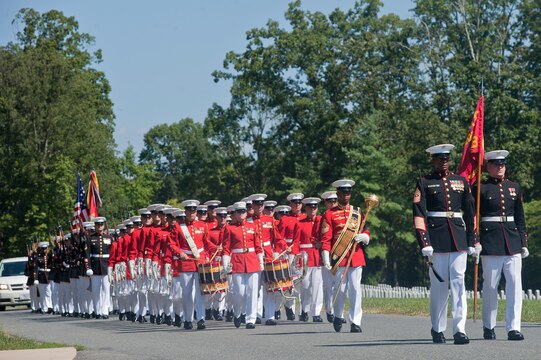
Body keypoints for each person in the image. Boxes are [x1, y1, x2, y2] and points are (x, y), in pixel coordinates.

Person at [412, 144, 476, 344]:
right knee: (439, 285)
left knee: (458, 282)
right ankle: (438, 329)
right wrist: (424, 241)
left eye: (446, 158)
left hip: (458, 238)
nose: (444, 161)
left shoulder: (461, 181)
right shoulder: (424, 182)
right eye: (440, 159)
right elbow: (418, 213)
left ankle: (459, 330)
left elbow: (470, 211)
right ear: (433, 160)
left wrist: (473, 239)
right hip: (436, 238)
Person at [473, 150, 528, 341]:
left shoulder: (514, 187)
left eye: (502, 164)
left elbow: (520, 217)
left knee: (514, 285)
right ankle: (489, 326)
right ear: (488, 167)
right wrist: (475, 240)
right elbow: (473, 217)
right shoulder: (481, 188)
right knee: (490, 286)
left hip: (512, 241)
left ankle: (514, 327)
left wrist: (523, 242)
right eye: (496, 164)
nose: (500, 167)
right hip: (490, 242)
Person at [320, 180, 370, 333]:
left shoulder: (357, 211)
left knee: (355, 289)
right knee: (340, 290)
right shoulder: (329, 214)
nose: (346, 195)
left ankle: (355, 321)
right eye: (343, 192)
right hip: (339, 257)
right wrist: (326, 257)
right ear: (338, 194)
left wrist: (364, 237)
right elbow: (326, 239)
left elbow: (365, 229)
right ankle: (338, 314)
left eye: (349, 192)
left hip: (356, 256)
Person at [221, 201, 264, 329]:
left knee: (252, 292)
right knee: (239, 292)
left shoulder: (252, 226)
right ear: (234, 213)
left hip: (252, 261)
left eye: (243, 211)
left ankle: (250, 319)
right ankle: (237, 313)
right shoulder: (229, 228)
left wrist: (260, 261)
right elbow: (226, 248)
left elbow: (258, 246)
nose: (241, 214)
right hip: (237, 262)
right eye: (239, 212)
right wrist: (225, 264)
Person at [294, 197, 323, 322]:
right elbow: (296, 242)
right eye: (310, 207)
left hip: (317, 257)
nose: (312, 209)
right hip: (305, 258)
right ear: (305, 208)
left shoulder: (322, 221)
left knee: (317, 286)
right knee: (305, 285)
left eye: (314, 207)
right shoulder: (300, 223)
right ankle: (304, 310)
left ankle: (316, 313)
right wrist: (296, 258)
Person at [85, 216, 113, 319]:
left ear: (104, 226)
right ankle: (97, 311)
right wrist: (88, 267)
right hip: (95, 267)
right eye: (98, 225)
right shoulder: (90, 238)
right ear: (95, 226)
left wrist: (112, 266)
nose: (99, 227)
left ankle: (105, 311)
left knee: (106, 290)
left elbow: (112, 253)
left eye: (101, 225)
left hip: (106, 267)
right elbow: (87, 254)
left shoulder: (109, 238)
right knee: (96, 291)